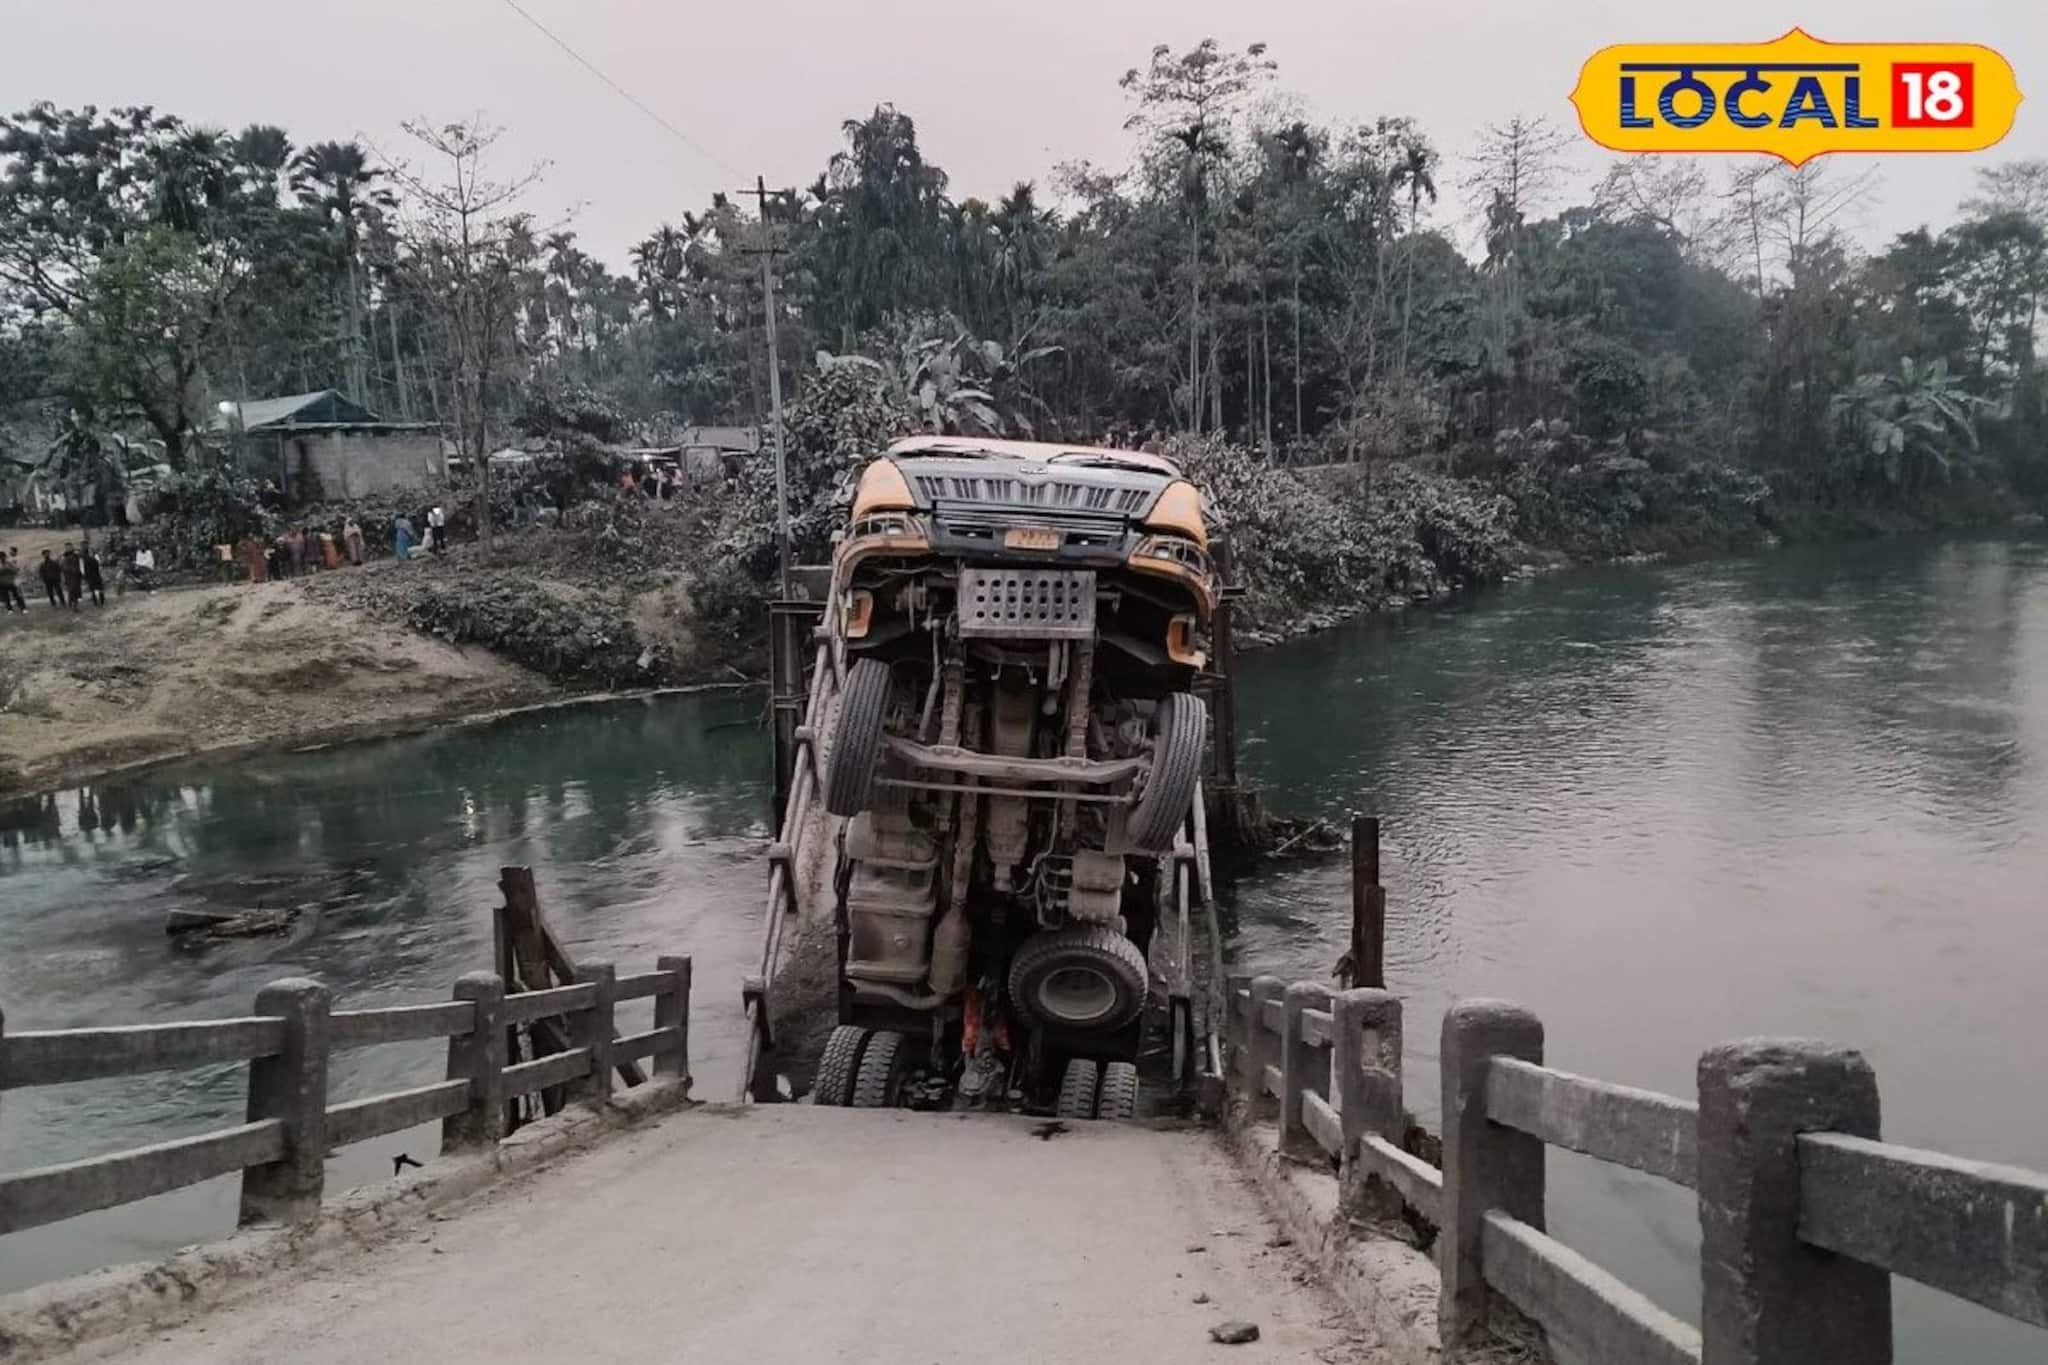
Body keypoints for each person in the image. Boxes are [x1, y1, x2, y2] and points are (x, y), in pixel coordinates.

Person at [0, 547, 24, 612]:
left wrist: (9, 569)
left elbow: (16, 570)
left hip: (11, 582)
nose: (1, 558)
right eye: (0, 556)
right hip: (2, 583)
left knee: (17, 596)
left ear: (5, 556)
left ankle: (23, 608)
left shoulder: (9, 563)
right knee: (6, 597)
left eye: (2, 556)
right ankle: (10, 609)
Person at [60, 544, 84, 610]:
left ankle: (74, 603)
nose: (69, 548)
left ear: (72, 547)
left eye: (70, 547)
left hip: (76, 575)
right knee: (71, 589)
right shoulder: (64, 556)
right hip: (68, 576)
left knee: (76, 589)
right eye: (67, 547)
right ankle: (72, 602)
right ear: (65, 548)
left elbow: (81, 561)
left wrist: (81, 572)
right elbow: (62, 566)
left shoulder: (76, 555)